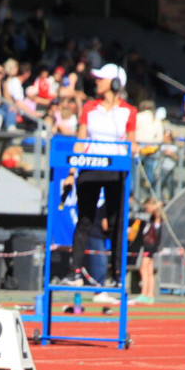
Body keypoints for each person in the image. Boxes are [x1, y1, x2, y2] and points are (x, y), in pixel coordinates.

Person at [67, 63, 137, 287]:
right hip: (90, 166)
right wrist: (71, 172)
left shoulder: (129, 111)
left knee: (117, 223)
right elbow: (80, 141)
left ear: (115, 83)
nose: (97, 81)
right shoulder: (89, 107)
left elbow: (132, 142)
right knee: (84, 220)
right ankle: (75, 272)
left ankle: (117, 275)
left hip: (116, 170)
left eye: (101, 78)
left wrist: (135, 149)